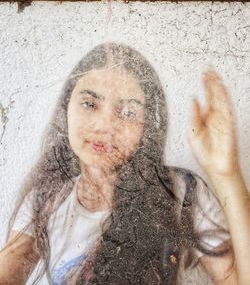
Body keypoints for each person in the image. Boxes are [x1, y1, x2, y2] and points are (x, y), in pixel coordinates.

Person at [0, 43, 249, 285]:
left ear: (148, 125)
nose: (105, 126)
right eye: (89, 104)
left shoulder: (181, 192)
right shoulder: (46, 198)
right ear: (67, 109)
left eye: (129, 112)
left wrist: (226, 173)